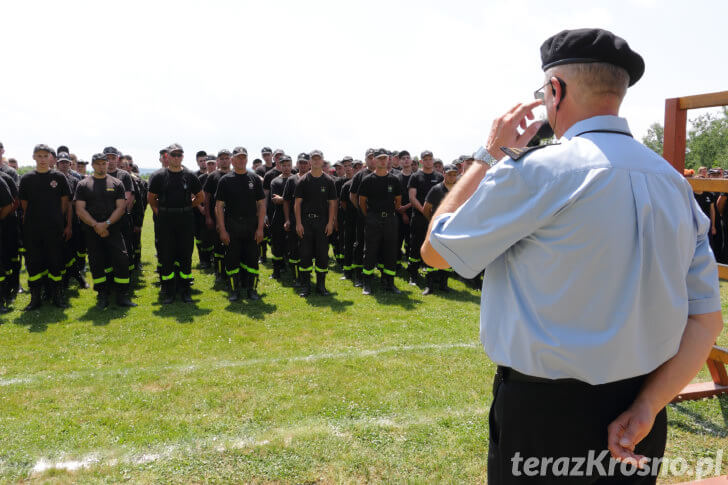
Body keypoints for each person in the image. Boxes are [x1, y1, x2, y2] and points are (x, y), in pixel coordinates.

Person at [422, 28, 724, 484]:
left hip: (543, 415)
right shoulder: (675, 184)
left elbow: (436, 249)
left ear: (555, 90)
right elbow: (705, 320)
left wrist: (487, 153)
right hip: (641, 411)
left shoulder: (537, 170)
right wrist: (647, 406)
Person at [74, 153, 136, 308]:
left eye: (104, 163)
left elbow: (121, 208)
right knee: (97, 262)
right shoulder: (83, 184)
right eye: (98, 164)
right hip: (92, 231)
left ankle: (121, 296)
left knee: (122, 259)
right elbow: (80, 210)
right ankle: (102, 295)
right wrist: (96, 225)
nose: (101, 166)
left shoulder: (116, 183)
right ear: (93, 165)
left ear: (107, 164)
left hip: (113, 230)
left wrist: (106, 224)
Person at [148, 144, 204, 303]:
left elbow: (200, 197)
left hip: (185, 219)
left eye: (179, 155)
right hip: (165, 221)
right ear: (167, 157)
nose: (176, 158)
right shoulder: (159, 176)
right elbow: (151, 199)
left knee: (185, 254)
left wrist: (186, 206)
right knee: (167, 255)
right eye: (173, 155)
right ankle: (169, 290)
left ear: (183, 157)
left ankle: (185, 290)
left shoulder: (190, 175)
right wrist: (161, 212)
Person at [19, 144, 73, 310]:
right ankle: (36, 298)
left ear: (51, 157)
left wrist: (60, 221)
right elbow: (24, 205)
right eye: (39, 156)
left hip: (54, 229)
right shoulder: (26, 179)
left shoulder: (59, 177)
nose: (43, 159)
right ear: (34, 157)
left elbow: (66, 203)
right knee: (34, 263)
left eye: (45, 156)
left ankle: (56, 296)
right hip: (33, 230)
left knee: (55, 261)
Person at [214, 147, 265, 301]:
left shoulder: (254, 179)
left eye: (244, 158)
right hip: (232, 226)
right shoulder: (225, 180)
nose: (241, 160)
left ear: (247, 159)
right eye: (238, 158)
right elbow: (219, 206)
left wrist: (260, 228)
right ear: (232, 160)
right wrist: (222, 230)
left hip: (251, 226)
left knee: (252, 259)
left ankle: (251, 289)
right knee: (232, 259)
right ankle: (234, 290)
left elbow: (262, 205)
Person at [358, 148, 402, 295]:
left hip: (390, 218)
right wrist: (370, 216)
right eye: (379, 158)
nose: (383, 161)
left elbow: (398, 201)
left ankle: (390, 283)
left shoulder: (394, 180)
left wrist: (389, 214)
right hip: (373, 219)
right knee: (370, 251)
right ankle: (367, 283)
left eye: (385, 158)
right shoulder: (367, 180)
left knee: (390, 251)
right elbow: (362, 202)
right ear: (374, 160)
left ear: (388, 160)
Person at [294, 150, 337, 297]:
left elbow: (332, 204)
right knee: (305, 254)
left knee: (322, 255)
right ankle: (305, 286)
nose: (316, 161)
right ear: (310, 161)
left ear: (322, 161)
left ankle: (321, 286)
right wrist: (298, 224)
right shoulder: (303, 181)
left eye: (319, 159)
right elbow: (297, 204)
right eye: (314, 159)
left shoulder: (329, 181)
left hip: (322, 222)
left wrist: (330, 223)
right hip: (306, 222)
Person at [407, 150, 443, 286]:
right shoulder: (415, 177)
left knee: (432, 247)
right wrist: (424, 211)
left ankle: (432, 276)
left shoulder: (439, 177)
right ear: (421, 161)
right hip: (419, 217)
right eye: (425, 159)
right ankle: (413, 275)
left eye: (430, 159)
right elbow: (412, 197)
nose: (428, 161)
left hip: (435, 219)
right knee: (415, 247)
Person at [421, 164, 458, 295]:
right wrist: (432, 222)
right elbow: (426, 209)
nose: (452, 177)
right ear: (444, 174)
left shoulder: (460, 190)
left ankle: (444, 284)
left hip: (452, 229)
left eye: (454, 174)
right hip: (437, 229)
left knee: (448, 256)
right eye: (449, 174)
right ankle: (429, 286)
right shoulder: (436, 189)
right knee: (432, 255)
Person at [204, 149, 232, 283]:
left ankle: (232, 271)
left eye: (227, 158)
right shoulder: (213, 176)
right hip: (217, 217)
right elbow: (207, 198)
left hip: (233, 217)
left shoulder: (235, 174)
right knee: (218, 247)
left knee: (232, 246)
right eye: (222, 158)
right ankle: (219, 272)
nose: (224, 160)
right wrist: (208, 217)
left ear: (231, 160)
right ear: (218, 161)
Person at [282, 153, 311, 286]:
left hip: (311, 221)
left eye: (305, 162)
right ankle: (296, 277)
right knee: (294, 249)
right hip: (294, 220)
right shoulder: (292, 180)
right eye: (301, 163)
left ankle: (306, 274)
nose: (303, 165)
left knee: (308, 249)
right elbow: (286, 201)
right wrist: (287, 219)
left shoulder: (314, 178)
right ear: (297, 164)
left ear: (309, 163)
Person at [269, 155, 293, 280]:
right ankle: (276, 271)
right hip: (278, 217)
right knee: (277, 245)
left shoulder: (296, 179)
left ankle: (296, 272)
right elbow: (275, 200)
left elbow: (298, 200)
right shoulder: (275, 181)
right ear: (279, 166)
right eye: (283, 165)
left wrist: (283, 199)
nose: (286, 168)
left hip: (294, 216)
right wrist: (288, 199)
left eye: (288, 165)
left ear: (292, 165)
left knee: (294, 244)